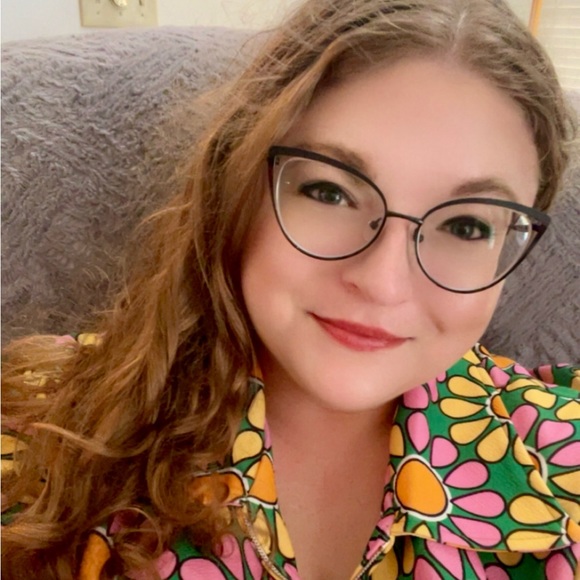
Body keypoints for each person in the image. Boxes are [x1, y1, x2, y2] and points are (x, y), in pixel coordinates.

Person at [2, 0, 579, 578]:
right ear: (237, 182)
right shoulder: (38, 435)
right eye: (330, 193)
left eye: (467, 226)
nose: (382, 283)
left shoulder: (564, 455)